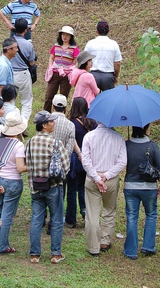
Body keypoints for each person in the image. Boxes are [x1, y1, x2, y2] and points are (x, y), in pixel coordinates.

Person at [25, 110, 70, 265]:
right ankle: (55, 254)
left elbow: (28, 163)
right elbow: (66, 166)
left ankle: (34, 254)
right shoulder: (56, 143)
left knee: (36, 219)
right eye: (51, 121)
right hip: (53, 186)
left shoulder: (30, 142)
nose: (54, 123)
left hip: (35, 186)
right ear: (44, 125)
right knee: (56, 219)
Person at [81, 121, 127, 256]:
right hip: (110, 180)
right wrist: (106, 176)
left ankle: (93, 247)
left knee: (92, 213)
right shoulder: (118, 138)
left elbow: (86, 161)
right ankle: (105, 241)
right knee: (109, 209)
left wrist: (96, 177)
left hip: (92, 179)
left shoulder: (89, 136)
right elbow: (122, 161)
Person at [123, 124, 160, 259]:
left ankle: (130, 250)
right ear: (145, 129)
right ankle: (148, 246)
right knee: (151, 215)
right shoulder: (153, 146)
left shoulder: (126, 145)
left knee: (131, 216)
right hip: (149, 187)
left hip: (130, 186)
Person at [0, 111, 28, 254]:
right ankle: (2, 245)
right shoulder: (18, 146)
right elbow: (20, 168)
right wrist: (35, 166)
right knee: (7, 215)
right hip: (13, 182)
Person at [65, 97, 97, 228]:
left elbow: (71, 141)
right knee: (84, 188)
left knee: (71, 189)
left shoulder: (71, 123)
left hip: (75, 158)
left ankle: (71, 219)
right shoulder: (92, 123)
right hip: (89, 159)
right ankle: (86, 213)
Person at [44, 26, 80, 112]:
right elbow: (52, 57)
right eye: (63, 34)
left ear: (71, 37)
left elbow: (77, 61)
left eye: (67, 35)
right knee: (49, 96)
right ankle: (46, 114)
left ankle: (61, 114)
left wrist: (72, 69)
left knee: (63, 97)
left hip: (66, 75)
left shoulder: (74, 48)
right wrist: (50, 66)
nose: (65, 37)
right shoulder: (56, 46)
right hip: (55, 73)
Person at [10, 17, 36, 121]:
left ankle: (11, 121)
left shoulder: (9, 43)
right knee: (26, 101)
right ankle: (23, 124)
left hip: (10, 73)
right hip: (23, 74)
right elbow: (31, 62)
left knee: (11, 100)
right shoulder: (28, 44)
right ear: (25, 30)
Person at [84, 21, 122, 91]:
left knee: (94, 100)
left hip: (94, 76)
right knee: (108, 100)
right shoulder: (114, 44)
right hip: (108, 76)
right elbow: (117, 63)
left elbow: (84, 60)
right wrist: (115, 76)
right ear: (108, 31)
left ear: (97, 31)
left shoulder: (90, 43)